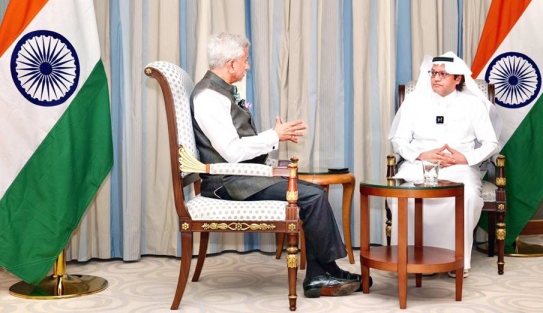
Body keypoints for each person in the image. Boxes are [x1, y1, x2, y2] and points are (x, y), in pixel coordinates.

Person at [190, 32, 371, 298]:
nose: (247, 66)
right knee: (312, 196)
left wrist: (272, 138)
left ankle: (323, 272)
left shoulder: (219, 92)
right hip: (227, 183)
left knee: (312, 194)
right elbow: (231, 152)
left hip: (238, 176)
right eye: (245, 60)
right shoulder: (208, 97)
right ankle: (323, 273)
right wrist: (274, 136)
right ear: (230, 64)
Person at [388, 51, 501, 276]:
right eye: (433, 73)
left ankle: (456, 260)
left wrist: (465, 158)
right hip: (419, 165)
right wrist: (422, 154)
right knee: (400, 197)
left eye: (443, 74)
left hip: (460, 168)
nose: (436, 78)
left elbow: (491, 143)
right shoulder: (414, 102)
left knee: (467, 196)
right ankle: (409, 258)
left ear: (458, 79)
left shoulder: (473, 104)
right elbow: (398, 140)